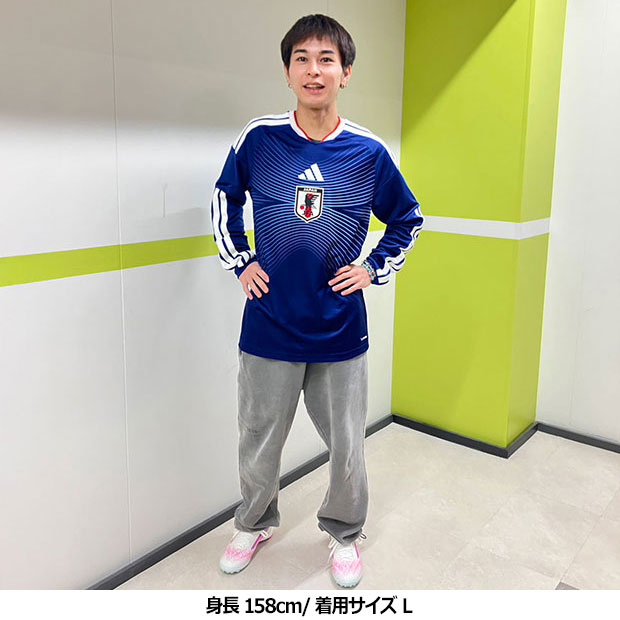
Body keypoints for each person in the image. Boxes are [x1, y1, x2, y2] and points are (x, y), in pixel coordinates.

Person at [210, 13, 423, 588]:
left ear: (345, 73)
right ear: (287, 72)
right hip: (269, 323)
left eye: (326, 59)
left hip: (339, 327)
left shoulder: (368, 151)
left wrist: (373, 267)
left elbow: (407, 218)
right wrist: (240, 261)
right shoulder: (259, 138)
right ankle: (254, 523)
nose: (313, 69)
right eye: (301, 58)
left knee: (347, 443)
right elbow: (224, 199)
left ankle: (344, 533)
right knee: (258, 437)